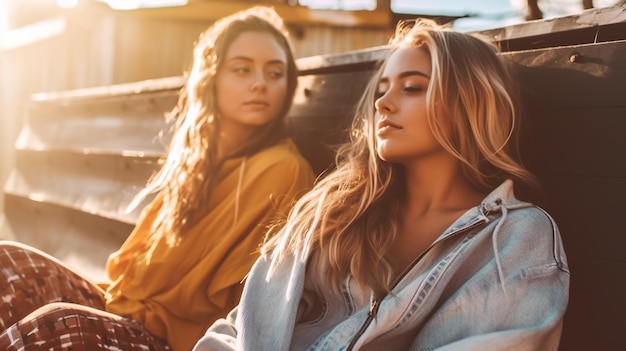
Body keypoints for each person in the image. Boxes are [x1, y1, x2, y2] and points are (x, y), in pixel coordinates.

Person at [193, 18, 570, 351]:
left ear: (467, 102)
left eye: (412, 88)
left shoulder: (516, 236)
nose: (384, 104)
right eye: (382, 90)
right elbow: (240, 325)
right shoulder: (336, 210)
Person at [0, 6, 315, 351]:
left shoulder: (281, 168)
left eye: (275, 73)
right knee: (8, 264)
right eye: (242, 69)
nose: (260, 83)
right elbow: (136, 272)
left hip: (178, 340)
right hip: (134, 315)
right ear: (211, 77)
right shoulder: (199, 163)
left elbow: (222, 302)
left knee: (55, 327)